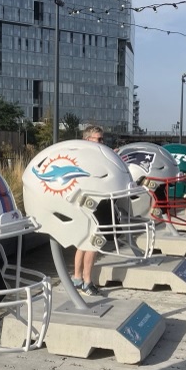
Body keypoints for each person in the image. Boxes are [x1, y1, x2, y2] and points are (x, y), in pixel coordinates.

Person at [72, 125, 104, 296]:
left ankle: (78, 279)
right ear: (87, 140)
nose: (101, 142)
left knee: (84, 242)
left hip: (88, 201)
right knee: (93, 242)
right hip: (88, 202)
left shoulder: (83, 156)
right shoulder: (89, 159)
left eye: (102, 139)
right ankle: (86, 281)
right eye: (98, 139)